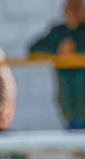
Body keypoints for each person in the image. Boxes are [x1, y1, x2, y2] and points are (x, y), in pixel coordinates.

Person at [30, 0, 85, 128]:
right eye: (72, 8)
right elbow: (34, 49)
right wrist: (58, 49)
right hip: (70, 100)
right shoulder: (58, 32)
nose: (75, 12)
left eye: (78, 8)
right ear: (65, 11)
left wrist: (76, 48)